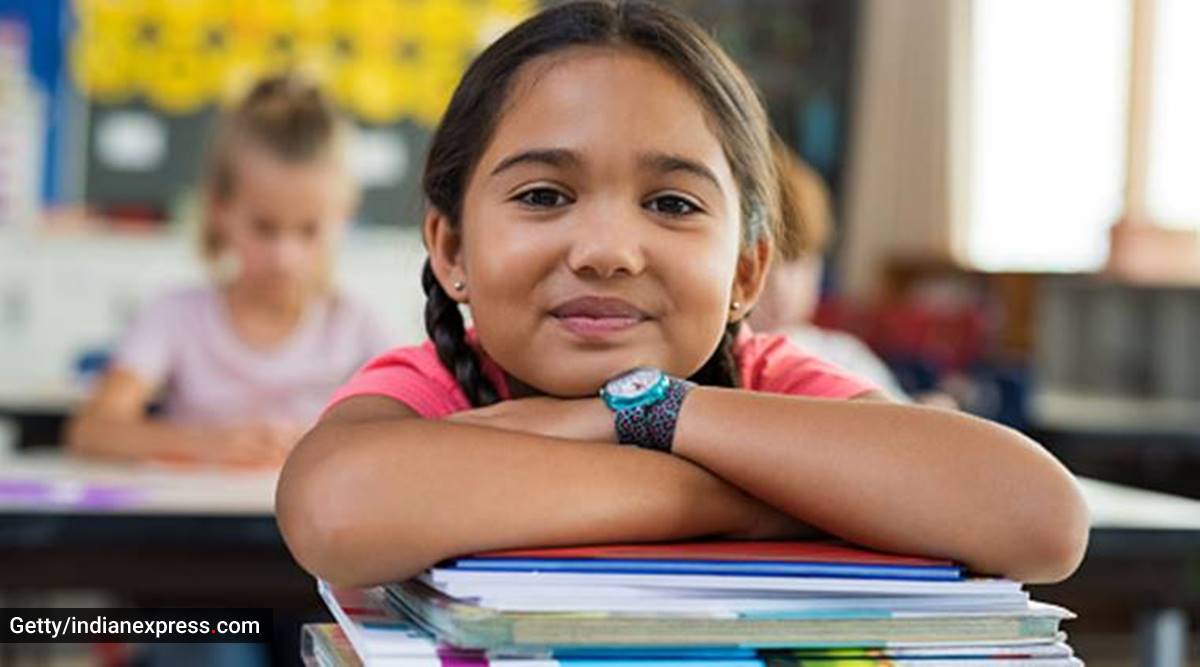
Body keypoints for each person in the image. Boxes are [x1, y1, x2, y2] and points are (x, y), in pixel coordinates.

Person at [276, 0, 1087, 589]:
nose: (606, 252)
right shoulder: (435, 390)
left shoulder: (772, 380)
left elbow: (1041, 519)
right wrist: (765, 499)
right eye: (544, 196)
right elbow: (336, 506)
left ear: (746, 272)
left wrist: (651, 412)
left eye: (672, 204)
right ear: (451, 248)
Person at [67, 74, 392, 467]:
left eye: (309, 230)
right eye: (264, 228)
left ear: (343, 218)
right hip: (196, 526)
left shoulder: (356, 326)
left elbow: (416, 436)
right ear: (220, 211)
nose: (284, 257)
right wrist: (205, 445)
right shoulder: (175, 316)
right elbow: (92, 430)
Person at [747, 138, 910, 401]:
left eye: (797, 261)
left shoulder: (842, 355)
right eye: (764, 264)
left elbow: (907, 421)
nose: (781, 287)